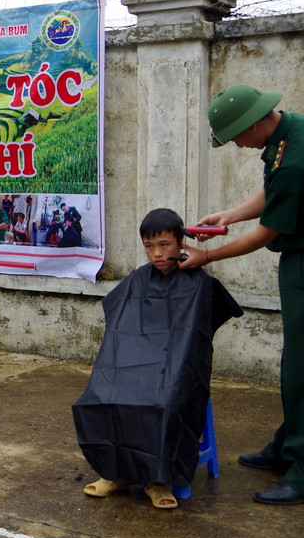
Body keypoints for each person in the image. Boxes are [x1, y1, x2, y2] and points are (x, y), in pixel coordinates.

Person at [180, 85, 304, 506]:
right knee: (296, 368)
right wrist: (230, 214)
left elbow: (267, 233)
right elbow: (274, 192)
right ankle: (289, 447)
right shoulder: (295, 129)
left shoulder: (296, 157)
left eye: (237, 137)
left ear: (254, 124)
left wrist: (208, 255)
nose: (238, 145)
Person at [73, 208, 241, 509]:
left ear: (181, 243)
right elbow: (118, 324)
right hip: (132, 365)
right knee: (103, 397)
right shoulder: (138, 279)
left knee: (164, 401)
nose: (157, 254)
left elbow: (196, 336)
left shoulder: (198, 284)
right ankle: (117, 474)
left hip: (175, 369)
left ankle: (156, 481)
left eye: (165, 244)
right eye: (149, 246)